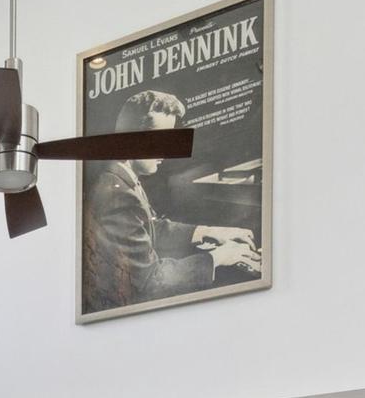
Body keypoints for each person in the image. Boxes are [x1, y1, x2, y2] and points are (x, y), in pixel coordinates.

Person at [82, 89, 261, 313]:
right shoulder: (116, 193)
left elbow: (148, 227)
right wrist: (218, 257)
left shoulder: (121, 179)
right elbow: (151, 282)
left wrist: (207, 231)